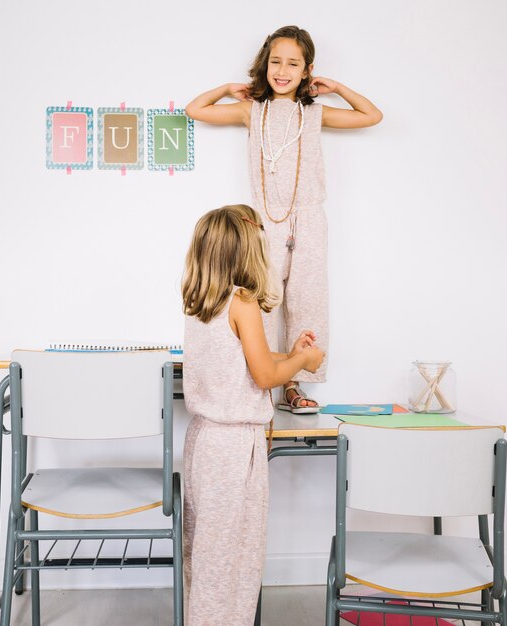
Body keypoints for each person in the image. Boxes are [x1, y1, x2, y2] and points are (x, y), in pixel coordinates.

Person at [185, 25, 382, 413]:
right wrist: (227, 88)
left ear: (307, 70)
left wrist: (338, 88)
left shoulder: (314, 113)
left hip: (308, 217)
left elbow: (372, 115)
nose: (283, 70)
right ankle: (264, 377)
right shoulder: (251, 110)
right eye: (276, 61)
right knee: (265, 301)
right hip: (264, 220)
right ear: (264, 64)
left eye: (293, 64)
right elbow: (195, 110)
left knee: (308, 300)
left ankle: (295, 385)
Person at [181, 204, 324, 625]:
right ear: (249, 250)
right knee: (234, 560)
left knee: (206, 556)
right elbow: (264, 375)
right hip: (233, 449)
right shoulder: (242, 302)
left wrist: (294, 355)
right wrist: (304, 363)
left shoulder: (200, 304)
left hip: (203, 441)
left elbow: (247, 362)